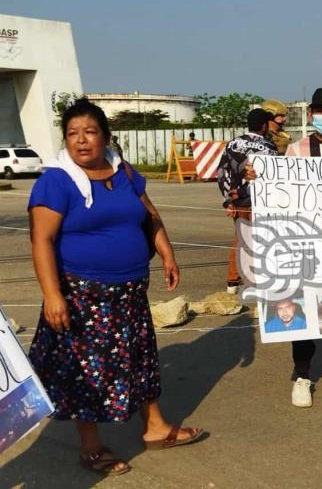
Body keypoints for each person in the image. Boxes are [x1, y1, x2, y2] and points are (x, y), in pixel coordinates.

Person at [27, 99, 203, 477]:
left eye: (90, 132)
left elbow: (149, 214)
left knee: (139, 359)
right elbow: (41, 240)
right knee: (86, 372)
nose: (81, 141)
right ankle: (91, 448)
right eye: (73, 134)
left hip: (130, 291)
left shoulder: (122, 170)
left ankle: (155, 427)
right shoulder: (55, 180)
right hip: (82, 294)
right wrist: (52, 295)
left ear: (105, 136)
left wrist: (167, 252)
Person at [247, 87, 322, 408]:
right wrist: (258, 179)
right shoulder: (297, 150)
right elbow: (280, 191)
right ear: (311, 115)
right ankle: (302, 376)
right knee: (307, 308)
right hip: (307, 244)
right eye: (320, 111)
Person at [217, 108, 279, 294]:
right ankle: (258, 279)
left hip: (239, 199)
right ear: (263, 125)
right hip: (261, 200)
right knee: (264, 238)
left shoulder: (233, 144)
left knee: (240, 237)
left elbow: (222, 173)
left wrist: (227, 199)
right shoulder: (269, 147)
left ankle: (232, 279)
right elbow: (274, 176)